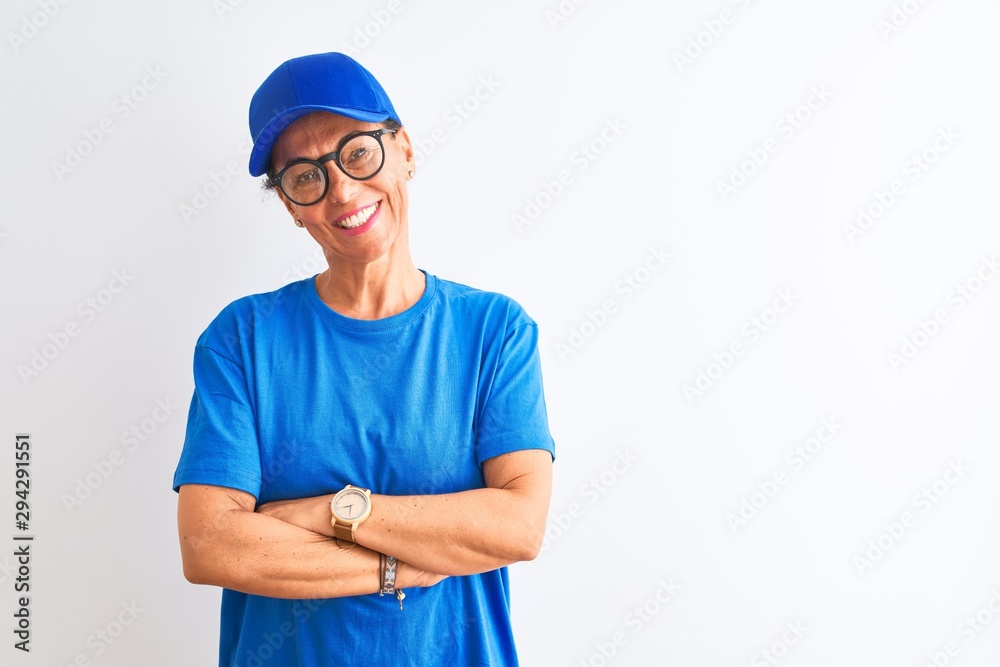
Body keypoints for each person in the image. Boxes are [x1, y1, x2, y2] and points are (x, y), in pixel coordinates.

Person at [172, 52, 556, 666]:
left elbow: (517, 527)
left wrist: (335, 512)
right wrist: (395, 565)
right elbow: (211, 545)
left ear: (404, 148)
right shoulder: (241, 340)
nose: (342, 191)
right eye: (304, 177)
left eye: (357, 152)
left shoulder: (494, 332)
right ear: (293, 208)